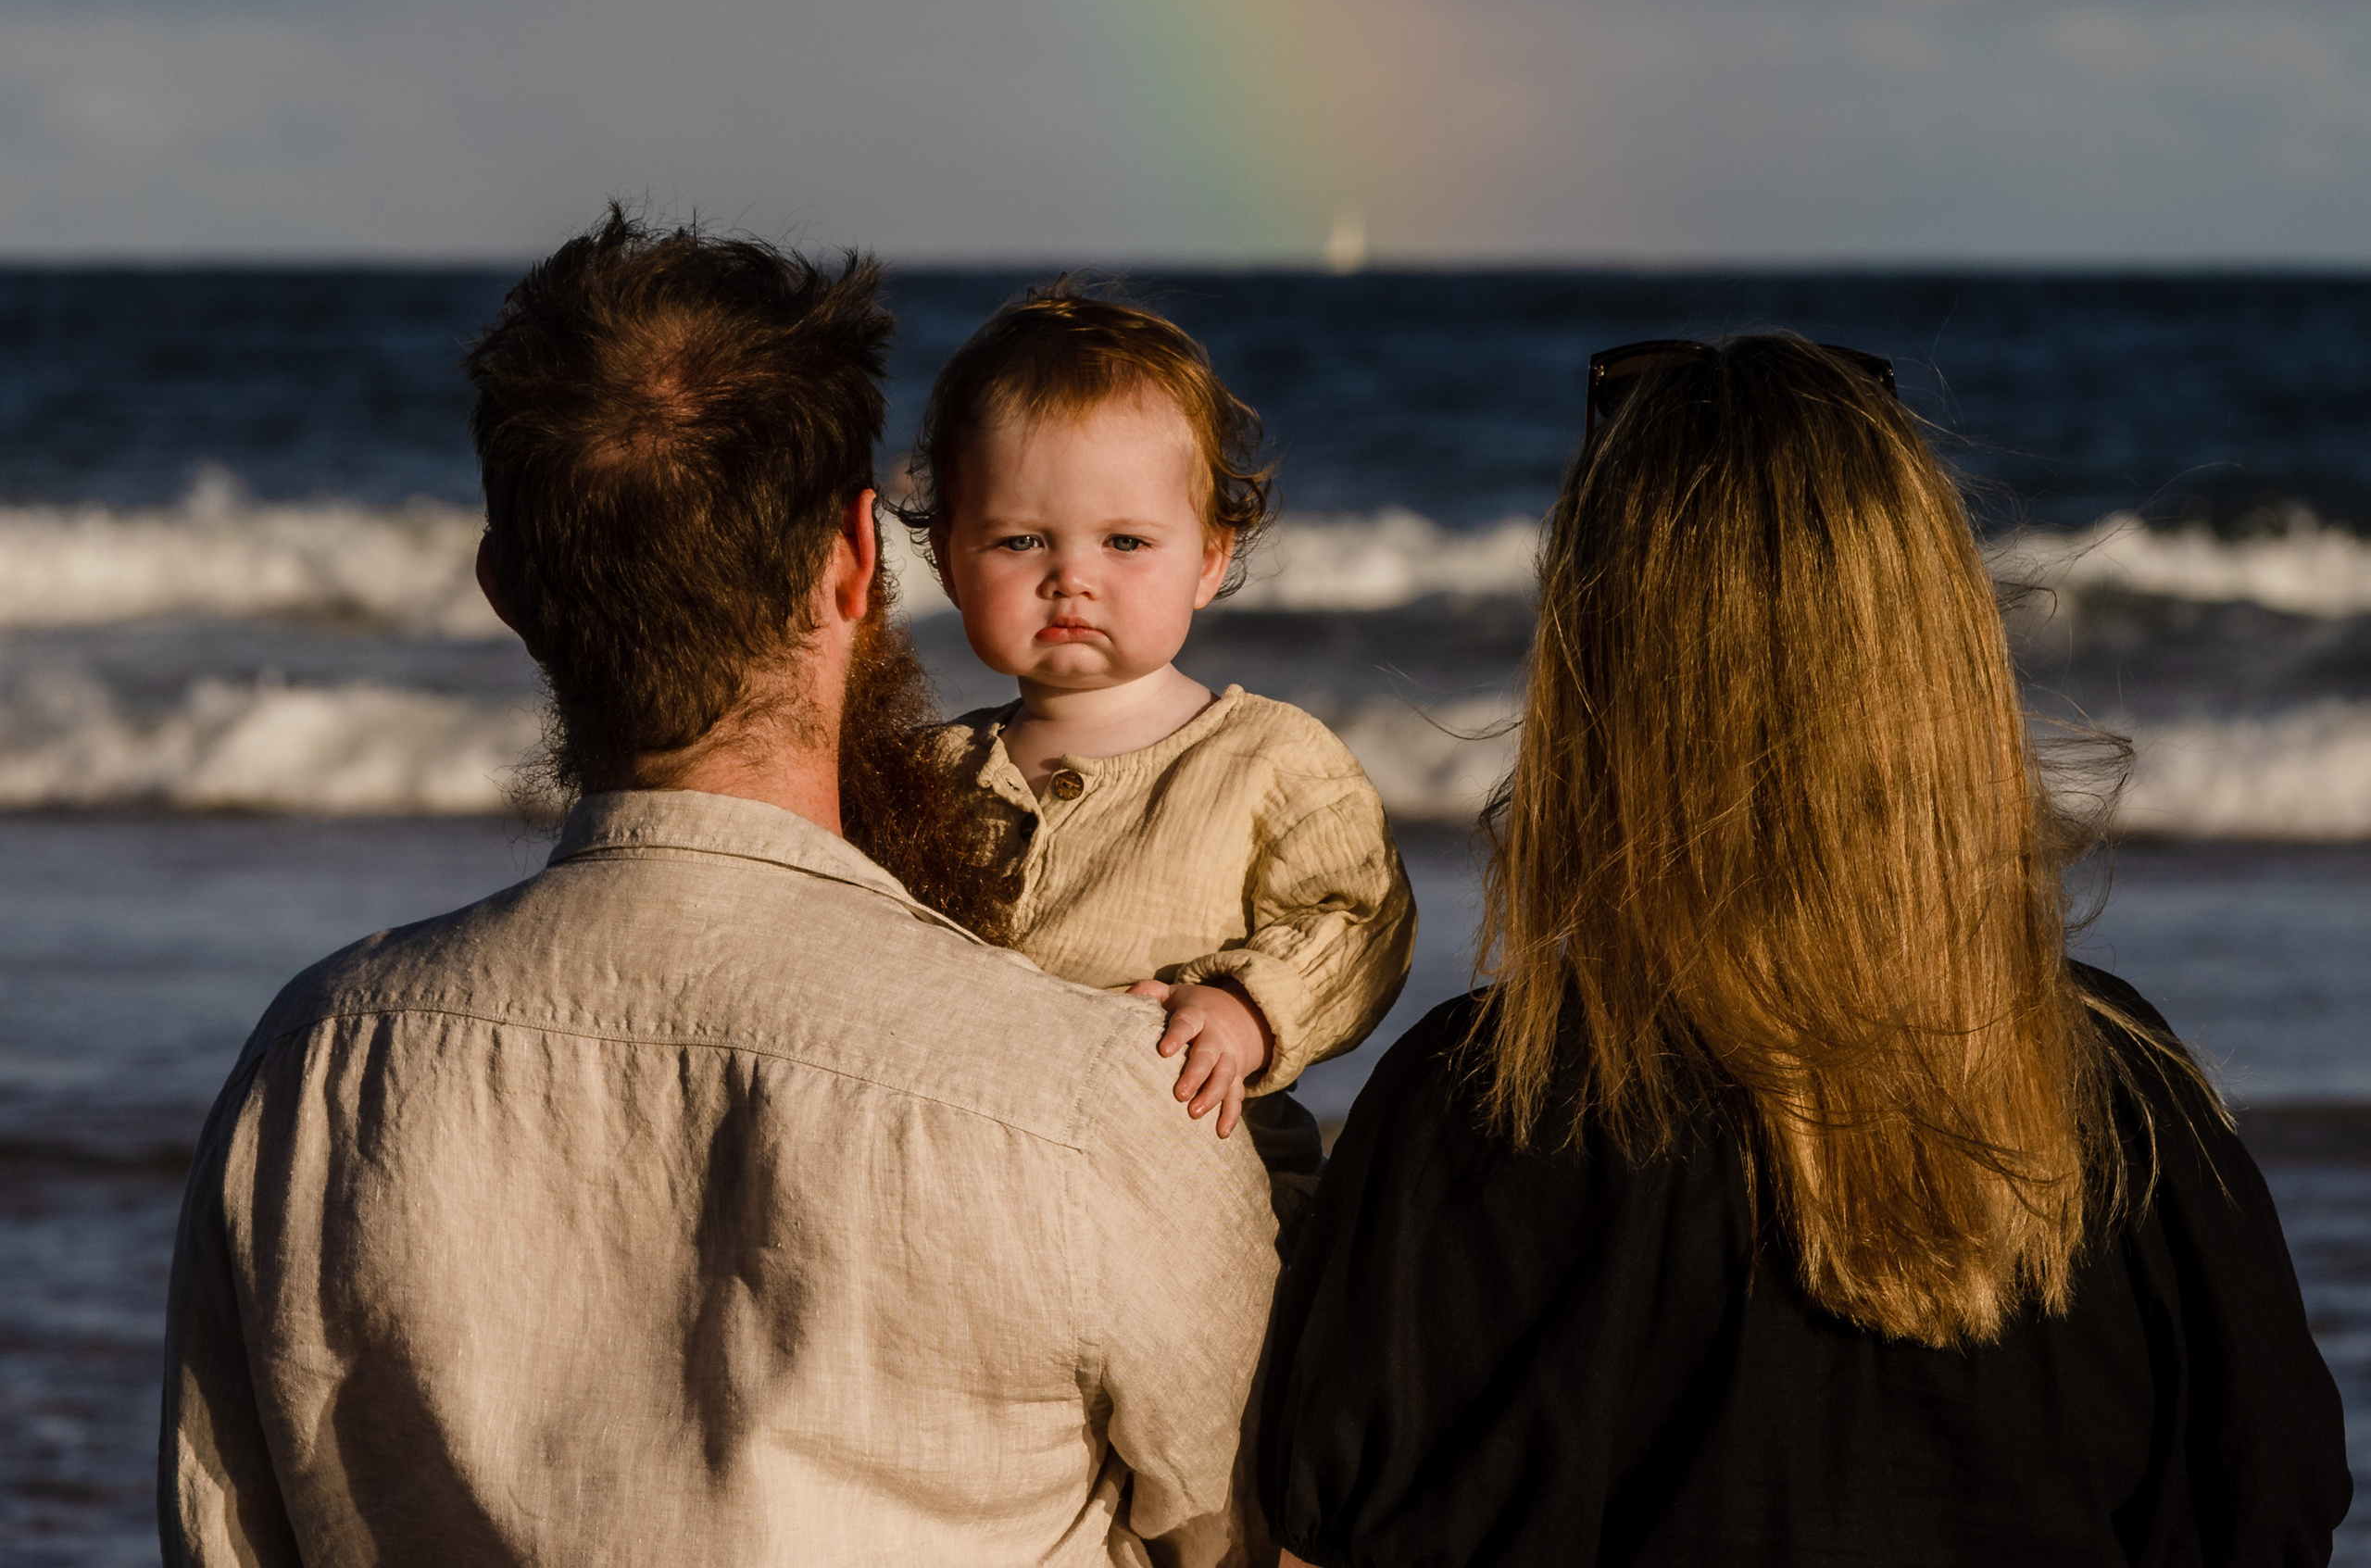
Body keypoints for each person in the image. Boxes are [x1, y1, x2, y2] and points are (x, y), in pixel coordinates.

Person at [160, 212, 1280, 1567]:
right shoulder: (1092, 1101)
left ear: (506, 589)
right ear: (859, 560)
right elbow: (1249, 1531)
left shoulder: (312, 1072)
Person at [1260, 334, 2352, 1566]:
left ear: (1594, 673)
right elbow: (2272, 1511)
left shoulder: (1471, 1110)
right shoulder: (2127, 1102)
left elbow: (1324, 1527)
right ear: (1944, 663)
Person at [905, 284, 1417, 1225]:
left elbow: (1359, 919)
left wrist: (1247, 1011)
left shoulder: (1266, 761)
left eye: (1126, 541)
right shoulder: (926, 776)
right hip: (973, 1191)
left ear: (1211, 558)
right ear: (946, 559)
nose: (1072, 575)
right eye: (1020, 540)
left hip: (1198, 1195)